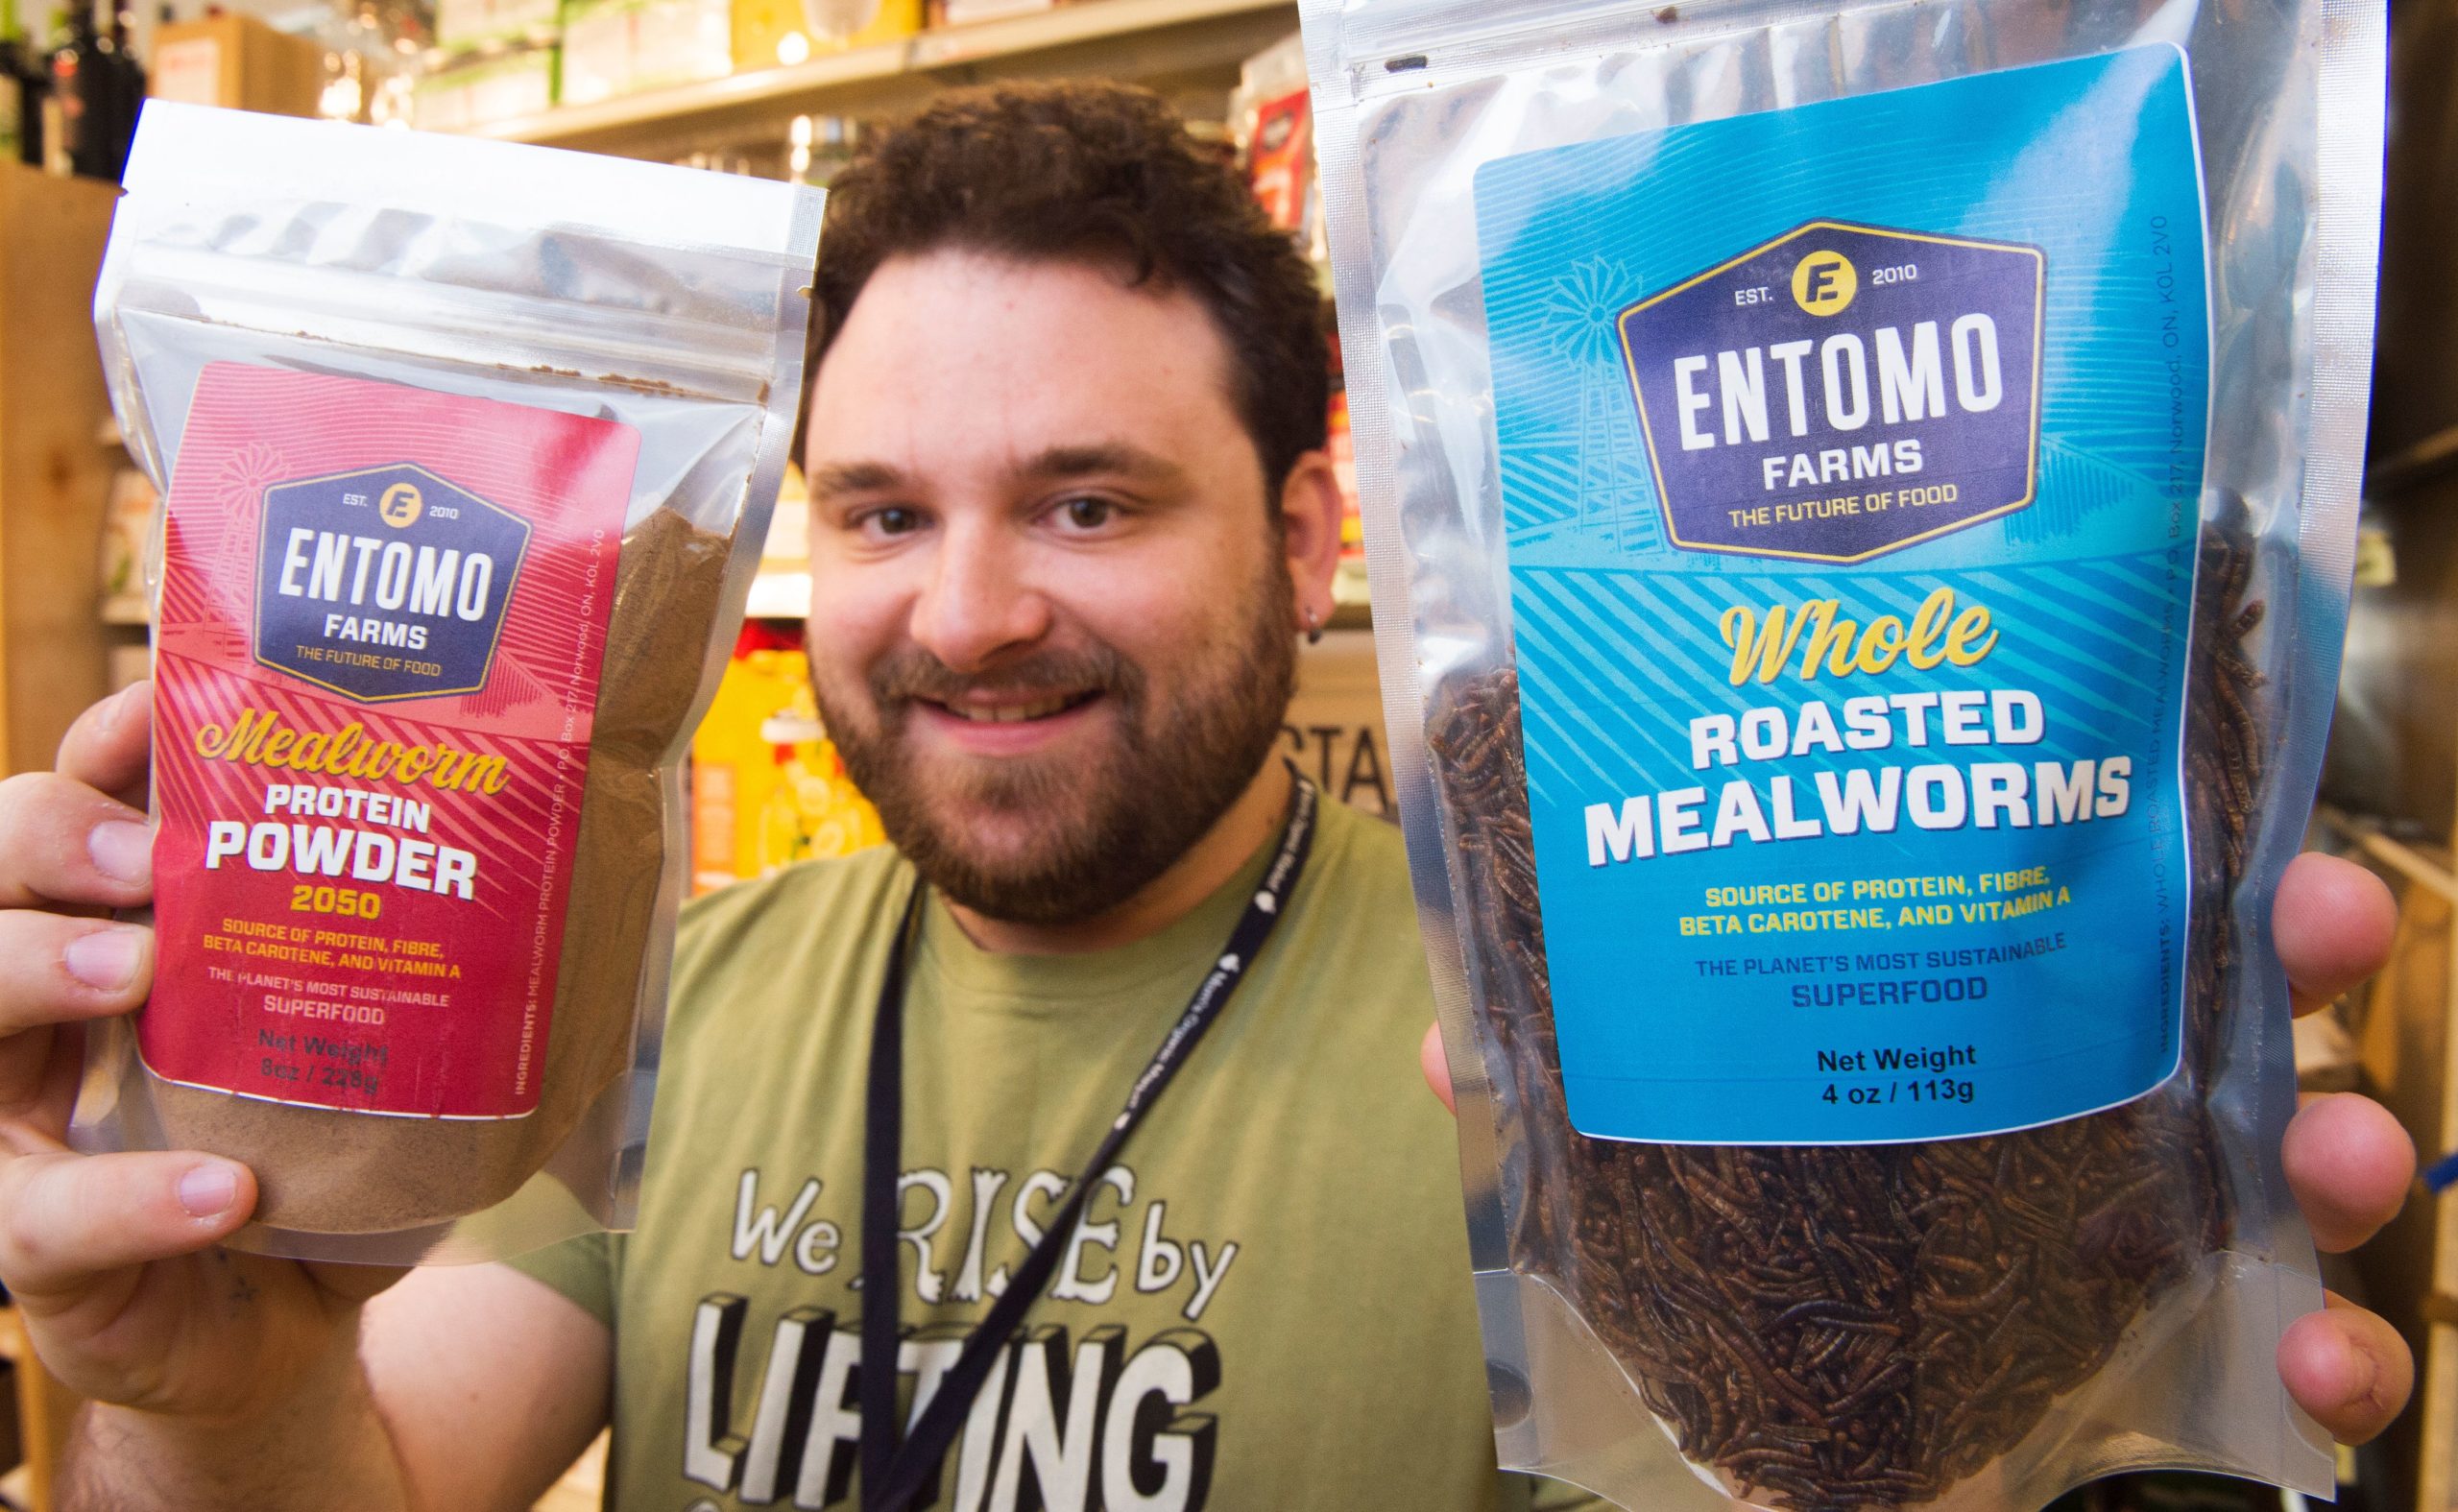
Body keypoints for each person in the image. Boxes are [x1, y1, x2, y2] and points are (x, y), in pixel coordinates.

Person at [0, 83, 2415, 1512]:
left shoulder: (1559, 1051)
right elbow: (378, 1473)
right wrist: (220, 1380)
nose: (961, 614)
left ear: (1305, 532)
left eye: (1084, 501)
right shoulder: (668, 1000)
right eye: (873, 511)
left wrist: (1995, 1344)